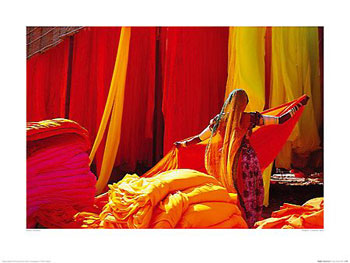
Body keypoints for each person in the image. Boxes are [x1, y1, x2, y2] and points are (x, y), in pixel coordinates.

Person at [175, 89, 309, 227]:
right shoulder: (250, 118)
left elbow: (200, 137)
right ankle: (250, 221)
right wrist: (298, 106)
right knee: (250, 190)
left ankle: (234, 219)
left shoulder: (219, 120)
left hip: (228, 162)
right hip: (247, 160)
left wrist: (183, 144)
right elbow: (280, 120)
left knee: (232, 190)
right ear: (245, 104)